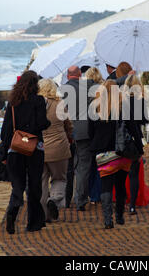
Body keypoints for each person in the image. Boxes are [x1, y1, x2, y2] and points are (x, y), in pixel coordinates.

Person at [0, 70, 51, 234]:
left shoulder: (12, 103)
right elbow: (41, 123)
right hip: (34, 148)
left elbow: (5, 132)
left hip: (15, 148)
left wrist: (6, 151)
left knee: (18, 186)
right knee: (35, 185)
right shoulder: (39, 101)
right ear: (35, 84)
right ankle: (33, 223)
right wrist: (47, 123)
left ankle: (12, 213)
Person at [89, 80, 132, 229]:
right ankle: (119, 215)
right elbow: (133, 129)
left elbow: (90, 132)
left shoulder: (95, 109)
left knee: (106, 187)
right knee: (120, 185)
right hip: (122, 151)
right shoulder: (123, 108)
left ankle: (108, 219)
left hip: (104, 153)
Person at [38, 79, 72, 222]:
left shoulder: (36, 106)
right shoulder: (60, 104)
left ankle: (43, 215)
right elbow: (68, 125)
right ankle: (54, 199)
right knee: (60, 178)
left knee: (42, 182)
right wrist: (70, 137)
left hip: (40, 149)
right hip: (59, 148)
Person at [64, 66, 95, 211]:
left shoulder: (62, 90)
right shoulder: (88, 87)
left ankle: (65, 199)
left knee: (66, 168)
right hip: (84, 132)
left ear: (67, 75)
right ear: (80, 75)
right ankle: (80, 200)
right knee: (83, 167)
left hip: (66, 134)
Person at [121, 74, 148, 214]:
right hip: (134, 140)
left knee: (120, 173)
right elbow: (143, 122)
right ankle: (132, 204)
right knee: (133, 173)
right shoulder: (140, 101)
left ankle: (122, 199)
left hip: (121, 140)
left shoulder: (121, 101)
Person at [85, 66, 104, 203]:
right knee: (100, 165)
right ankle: (97, 194)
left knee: (89, 166)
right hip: (102, 131)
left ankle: (91, 194)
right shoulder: (104, 89)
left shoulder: (84, 91)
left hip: (89, 131)